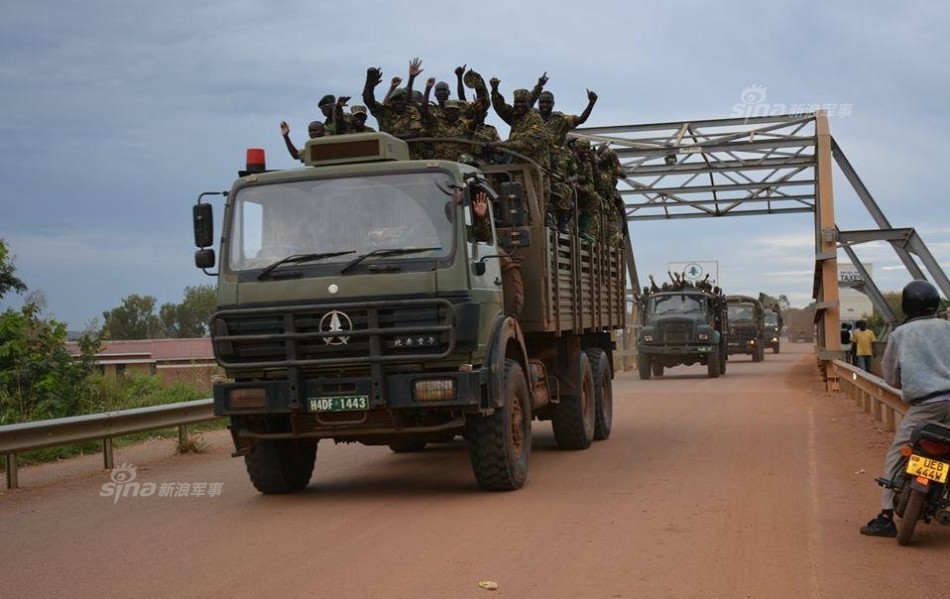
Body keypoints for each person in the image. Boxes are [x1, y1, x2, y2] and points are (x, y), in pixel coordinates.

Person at [860, 280, 950, 537]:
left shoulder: (900, 334)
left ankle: (886, 517)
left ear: (906, 306)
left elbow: (890, 377)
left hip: (925, 406)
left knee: (897, 455)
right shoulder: (948, 327)